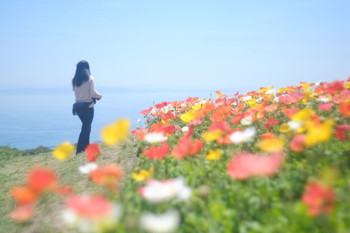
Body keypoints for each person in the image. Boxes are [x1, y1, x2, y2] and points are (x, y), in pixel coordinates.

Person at [72, 60, 102, 154]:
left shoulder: (74, 79)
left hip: (78, 107)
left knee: (86, 127)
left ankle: (86, 148)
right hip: (88, 107)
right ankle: (79, 150)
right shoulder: (90, 78)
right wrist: (100, 96)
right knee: (85, 128)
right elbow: (93, 93)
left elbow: (76, 92)